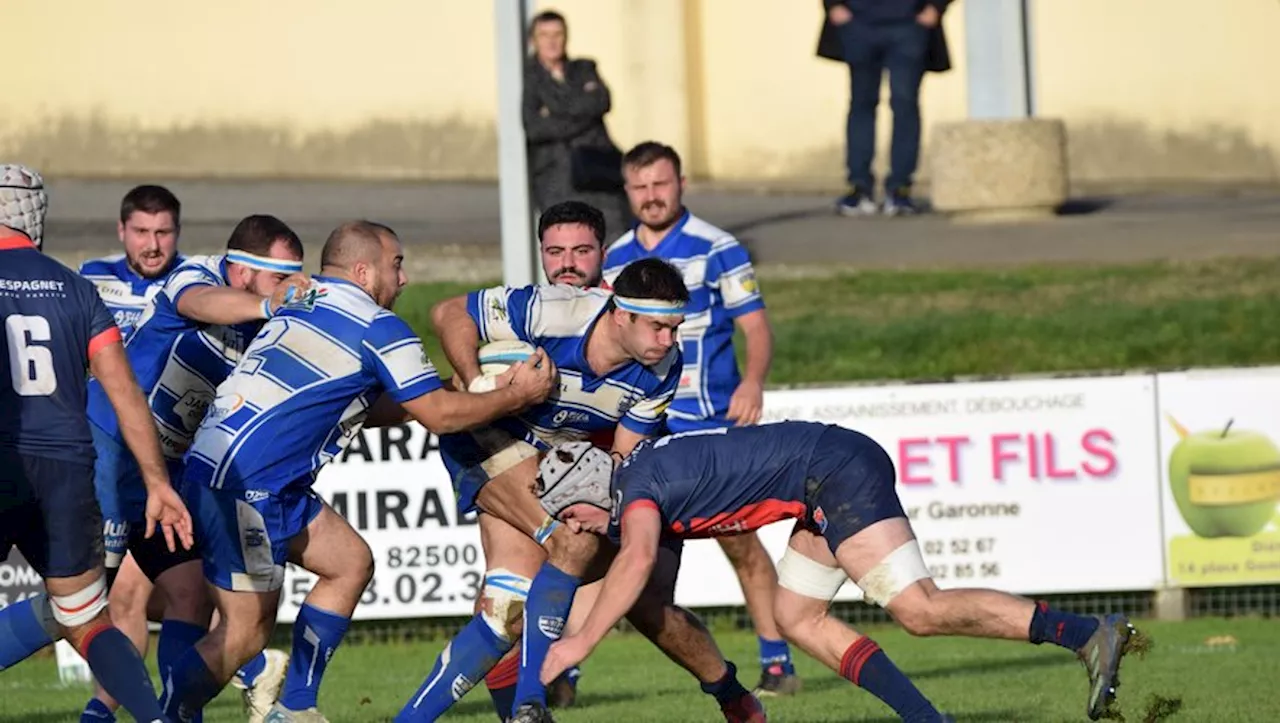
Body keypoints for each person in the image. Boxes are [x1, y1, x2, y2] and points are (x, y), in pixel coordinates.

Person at [159, 221, 556, 723]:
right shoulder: (377, 326)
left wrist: (447, 391)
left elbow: (372, 405)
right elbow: (437, 416)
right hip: (249, 486)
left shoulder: (304, 300)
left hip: (228, 470)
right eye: (397, 264)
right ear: (365, 272)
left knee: (349, 561)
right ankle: (166, 714)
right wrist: (515, 396)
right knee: (243, 634)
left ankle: (297, 707)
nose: (405, 278)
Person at [537, 423, 1146, 722]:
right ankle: (929, 720)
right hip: (820, 473)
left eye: (573, 515)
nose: (579, 528)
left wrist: (579, 645)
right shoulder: (636, 472)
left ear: (589, 488)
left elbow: (639, 563)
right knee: (796, 617)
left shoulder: (638, 493)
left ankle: (1086, 634)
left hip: (834, 470)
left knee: (918, 609)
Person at [396, 258, 763, 723]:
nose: (669, 341)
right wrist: (476, 383)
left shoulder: (664, 364)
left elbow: (622, 457)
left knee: (509, 609)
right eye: (657, 327)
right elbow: (449, 312)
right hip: (485, 437)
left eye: (675, 328)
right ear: (620, 313)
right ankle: (530, 701)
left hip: (549, 461)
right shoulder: (554, 313)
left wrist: (611, 507)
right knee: (571, 540)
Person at [84, 214, 307, 723]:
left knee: (187, 595)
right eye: (279, 277)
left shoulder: (265, 324)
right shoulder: (197, 277)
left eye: (296, 277)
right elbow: (199, 304)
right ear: (240, 271)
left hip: (164, 474)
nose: (291, 288)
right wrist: (271, 304)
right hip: (110, 448)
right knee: (82, 605)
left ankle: (175, 715)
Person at [603, 141, 799, 696]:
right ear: (627, 192)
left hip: (708, 420)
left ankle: (776, 661)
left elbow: (755, 327)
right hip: (644, 423)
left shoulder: (720, 248)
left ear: (681, 184)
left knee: (739, 541)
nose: (651, 197)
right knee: (612, 544)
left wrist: (753, 381)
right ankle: (566, 673)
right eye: (639, 187)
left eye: (660, 185)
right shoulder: (616, 259)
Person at [0, 162, 192, 723]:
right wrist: (158, 483)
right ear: (37, 219)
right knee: (85, 617)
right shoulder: (76, 288)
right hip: (67, 471)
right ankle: (153, 719)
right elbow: (126, 393)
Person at [817, 0, 953, 216]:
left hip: (909, 25)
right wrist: (834, 5)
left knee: (905, 104)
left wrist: (935, 7)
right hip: (859, 23)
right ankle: (859, 188)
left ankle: (900, 189)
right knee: (861, 104)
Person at [523, 10, 632, 243]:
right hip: (556, 177)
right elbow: (535, 128)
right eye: (544, 35)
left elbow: (602, 101)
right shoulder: (529, 78)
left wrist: (555, 110)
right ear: (533, 40)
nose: (552, 41)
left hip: (598, 168)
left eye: (557, 34)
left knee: (616, 239)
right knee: (571, 245)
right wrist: (586, 113)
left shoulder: (584, 68)